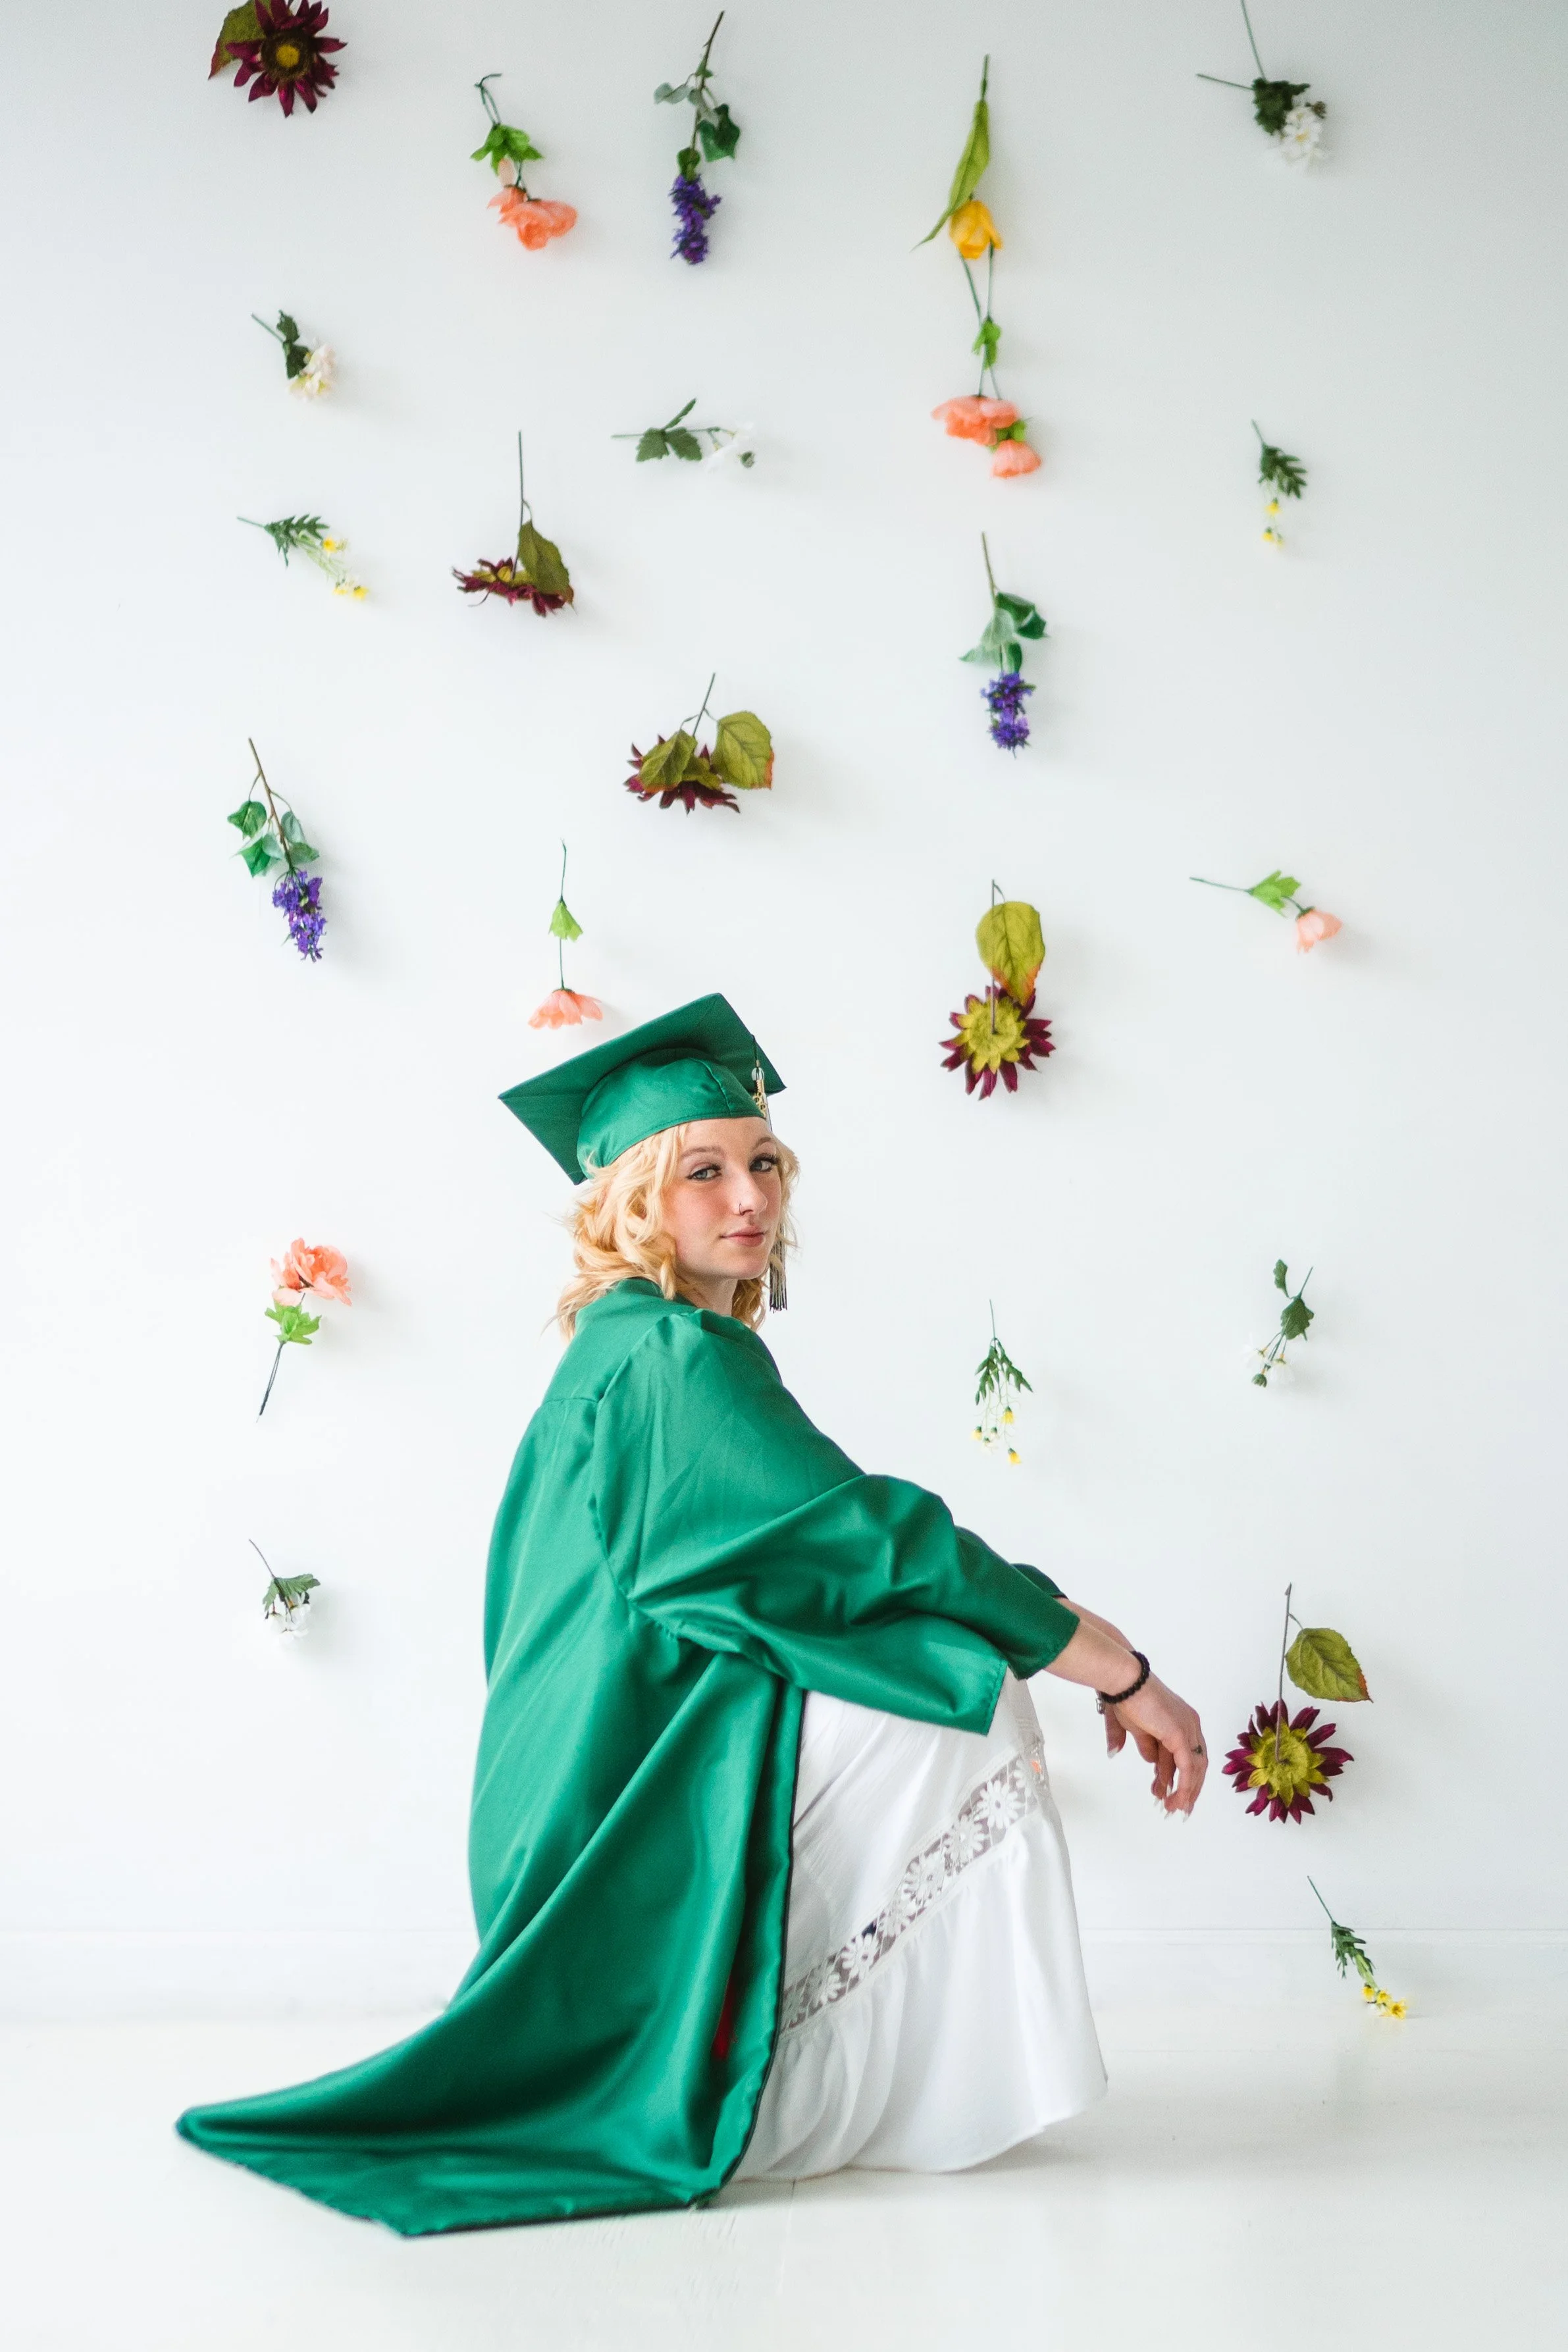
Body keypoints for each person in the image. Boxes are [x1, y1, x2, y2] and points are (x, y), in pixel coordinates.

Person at [177, 995, 1206, 2235]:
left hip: (560, 1773)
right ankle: (795, 2099)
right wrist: (1116, 1667)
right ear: (629, 1199)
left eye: (764, 1164)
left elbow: (814, 1555)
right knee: (960, 1683)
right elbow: (883, 1540)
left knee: (933, 1661)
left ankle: (794, 2071)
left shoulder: (622, 1346)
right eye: (701, 1172)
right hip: (607, 1785)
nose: (748, 1199)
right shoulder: (671, 1356)